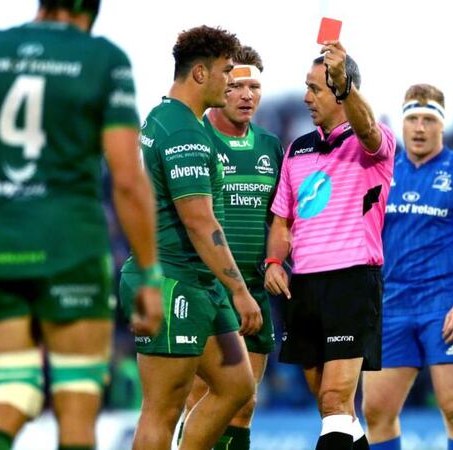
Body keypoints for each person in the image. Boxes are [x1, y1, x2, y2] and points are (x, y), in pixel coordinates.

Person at [0, 1, 163, 449]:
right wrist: (149, 275)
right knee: (76, 407)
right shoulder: (103, 59)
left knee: (12, 396)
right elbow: (128, 181)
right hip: (72, 252)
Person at [118, 26, 263, 450]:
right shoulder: (183, 133)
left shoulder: (165, 118)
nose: (231, 82)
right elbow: (200, 222)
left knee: (237, 385)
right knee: (162, 408)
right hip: (169, 282)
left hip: (197, 284)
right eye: (225, 72)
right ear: (199, 73)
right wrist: (240, 290)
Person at [264, 41, 396, 450]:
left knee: (336, 398)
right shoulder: (297, 149)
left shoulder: (372, 144)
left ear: (341, 90)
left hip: (351, 282)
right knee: (333, 411)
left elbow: (369, 129)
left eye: (317, 88)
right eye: (307, 87)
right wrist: (273, 260)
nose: (306, 97)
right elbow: (283, 217)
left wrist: (345, 87)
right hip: (303, 286)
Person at [361, 84, 453, 450]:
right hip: (392, 308)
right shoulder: (382, 174)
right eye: (413, 119)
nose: (419, 128)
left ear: (441, 126)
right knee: (376, 412)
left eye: (428, 120)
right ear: (402, 125)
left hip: (445, 308)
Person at [181, 45, 284, 450]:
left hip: (253, 293)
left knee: (243, 403)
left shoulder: (271, 146)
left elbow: (280, 218)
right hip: (206, 289)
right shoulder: (194, 137)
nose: (246, 95)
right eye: (237, 85)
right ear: (220, 84)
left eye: (254, 87)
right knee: (201, 402)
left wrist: (276, 259)